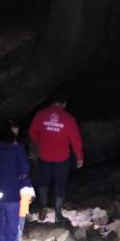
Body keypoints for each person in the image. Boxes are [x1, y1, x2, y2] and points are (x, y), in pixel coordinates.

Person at [28, 91, 84, 224]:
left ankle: (43, 209)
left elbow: (32, 132)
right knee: (60, 185)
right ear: (64, 104)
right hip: (61, 158)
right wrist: (79, 156)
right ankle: (58, 214)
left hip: (44, 156)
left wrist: (41, 142)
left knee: (43, 182)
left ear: (52, 102)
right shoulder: (69, 119)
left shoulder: (41, 115)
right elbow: (76, 140)